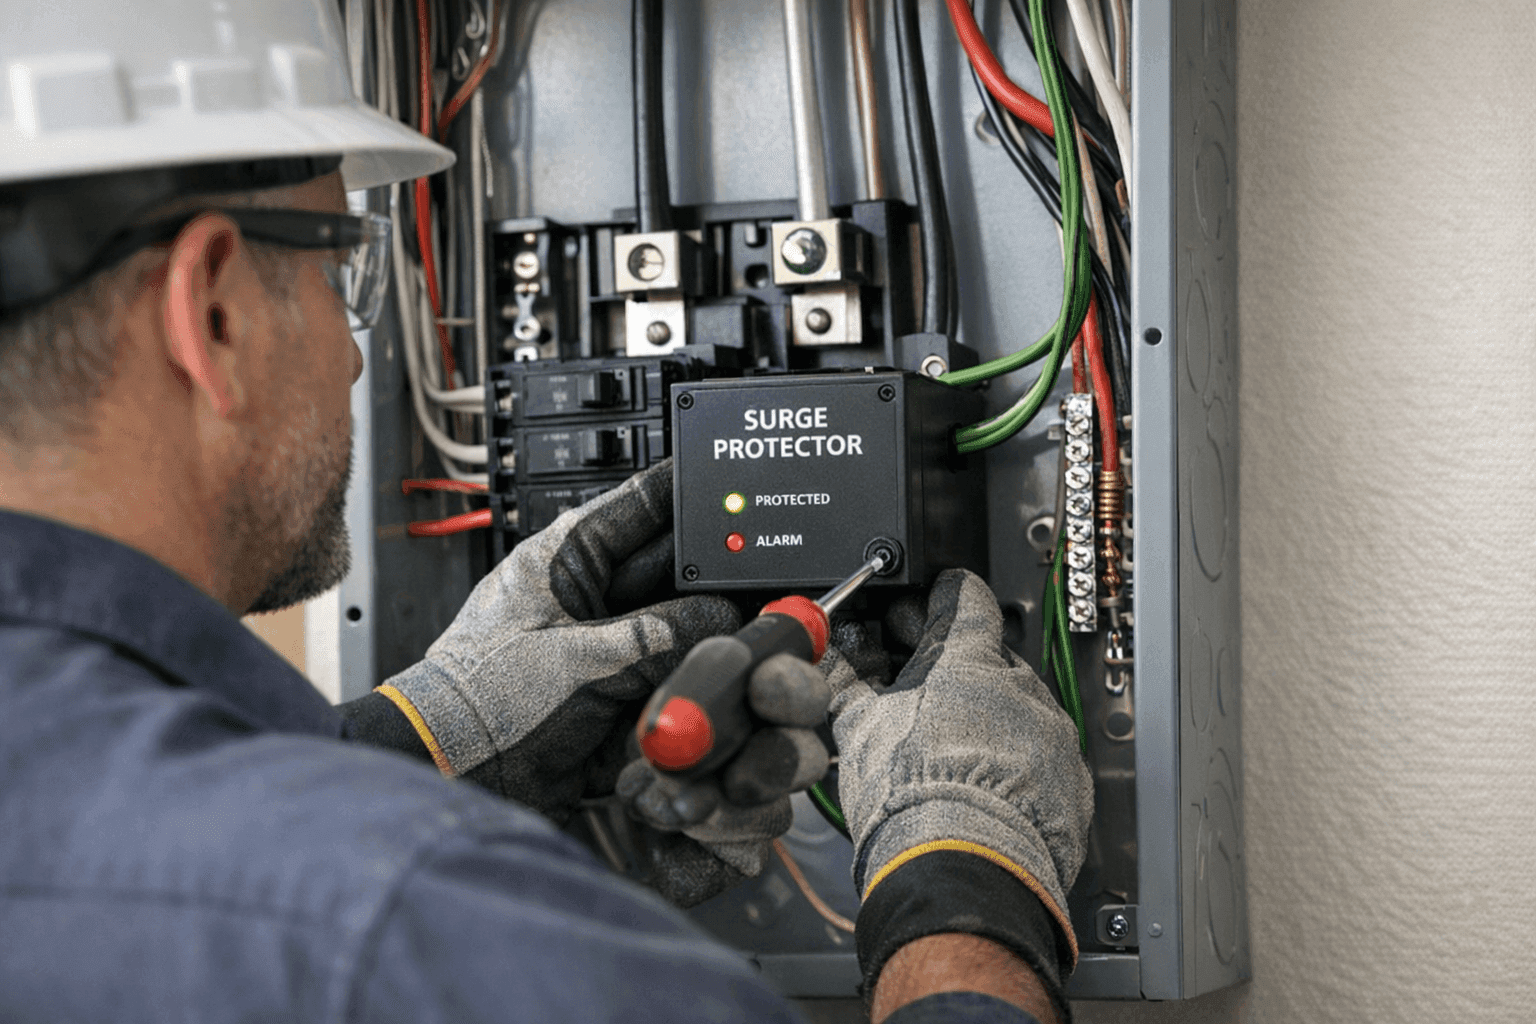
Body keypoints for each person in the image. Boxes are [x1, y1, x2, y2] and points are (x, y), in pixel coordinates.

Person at [0, 2, 1093, 1021]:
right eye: (341, 274)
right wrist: (963, 882)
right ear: (215, 313)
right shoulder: (414, 928)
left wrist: (417, 739)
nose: (347, 353)